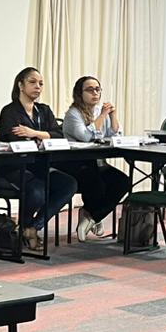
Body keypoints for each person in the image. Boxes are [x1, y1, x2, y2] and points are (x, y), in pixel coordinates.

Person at [0, 67, 78, 250]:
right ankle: (27, 228)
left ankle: (32, 227)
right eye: (32, 82)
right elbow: (15, 139)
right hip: (15, 167)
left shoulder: (44, 110)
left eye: (40, 83)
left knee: (69, 184)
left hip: (40, 165)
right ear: (20, 85)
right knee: (38, 191)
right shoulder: (10, 111)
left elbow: (59, 135)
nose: (38, 87)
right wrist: (44, 137)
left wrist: (34, 133)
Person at [61, 76, 131, 241]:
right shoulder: (73, 114)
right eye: (90, 90)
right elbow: (85, 137)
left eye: (98, 89)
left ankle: (92, 216)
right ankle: (93, 215)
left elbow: (116, 136)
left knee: (123, 182)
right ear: (80, 93)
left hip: (99, 163)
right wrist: (103, 115)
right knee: (96, 182)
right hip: (76, 165)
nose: (95, 93)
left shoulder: (100, 111)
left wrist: (112, 116)